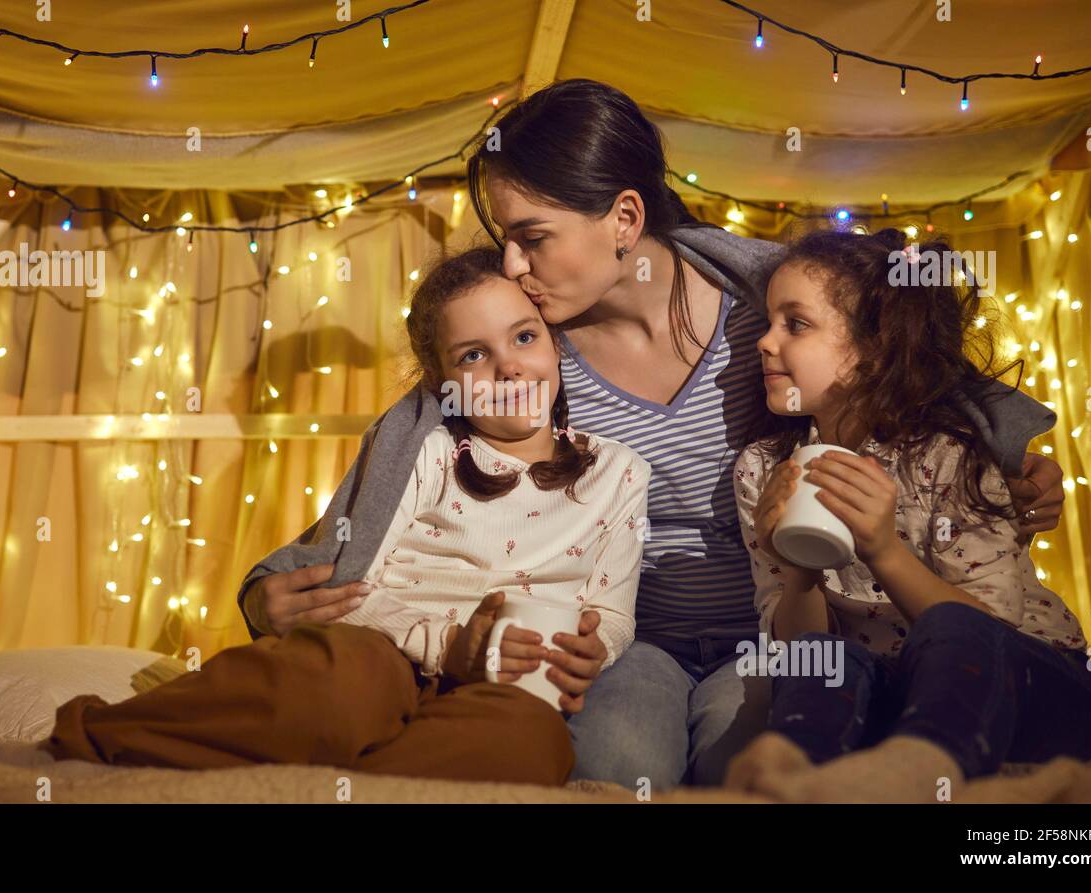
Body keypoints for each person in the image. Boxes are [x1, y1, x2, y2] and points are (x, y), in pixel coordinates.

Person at [241, 79, 1069, 790]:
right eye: (506, 242)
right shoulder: (527, 352)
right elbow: (397, 453)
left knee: (737, 756)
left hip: (777, 625)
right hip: (631, 638)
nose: (514, 268)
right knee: (617, 756)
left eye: (532, 238)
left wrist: (1006, 455)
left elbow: (897, 351)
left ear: (624, 218)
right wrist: (270, 585)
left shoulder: (768, 321)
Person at [41, 247, 650, 786]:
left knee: (527, 743)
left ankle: (341, 784)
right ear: (442, 382)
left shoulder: (619, 473)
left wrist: (593, 650)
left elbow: (615, 612)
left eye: (524, 338)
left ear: (553, 340)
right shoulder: (428, 450)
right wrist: (444, 644)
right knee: (332, 686)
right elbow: (347, 582)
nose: (509, 368)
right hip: (388, 647)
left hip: (504, 681)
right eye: (473, 355)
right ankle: (98, 732)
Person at [724, 228, 1091, 801]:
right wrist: (799, 570)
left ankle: (922, 762)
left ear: (873, 350)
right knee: (821, 660)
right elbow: (796, 645)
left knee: (953, 630)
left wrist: (883, 551)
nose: (763, 341)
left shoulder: (950, 453)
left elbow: (988, 631)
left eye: (796, 324)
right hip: (895, 689)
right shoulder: (763, 471)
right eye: (767, 322)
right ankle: (790, 770)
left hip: (1027, 686)